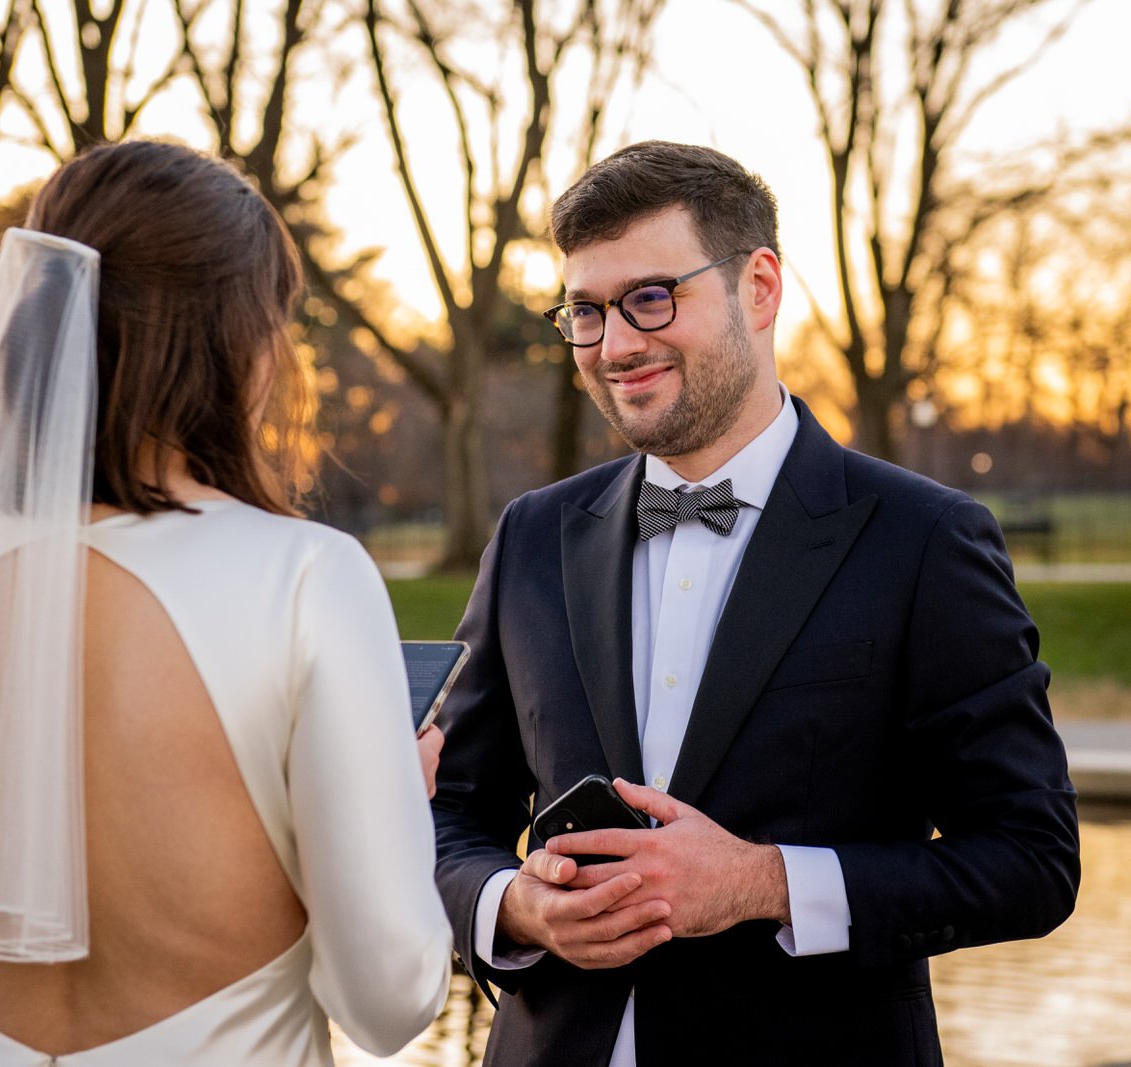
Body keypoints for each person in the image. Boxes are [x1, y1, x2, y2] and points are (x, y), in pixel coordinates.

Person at [0, 139, 452, 1065]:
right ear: (232, 338)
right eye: (277, 321)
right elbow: (389, 998)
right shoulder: (305, 578)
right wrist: (397, 807)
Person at [429, 141, 1080, 1066]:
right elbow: (450, 810)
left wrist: (763, 882)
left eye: (652, 297)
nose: (615, 345)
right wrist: (512, 905)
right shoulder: (533, 535)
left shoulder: (925, 539)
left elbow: (1031, 858)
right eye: (585, 311)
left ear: (760, 288)